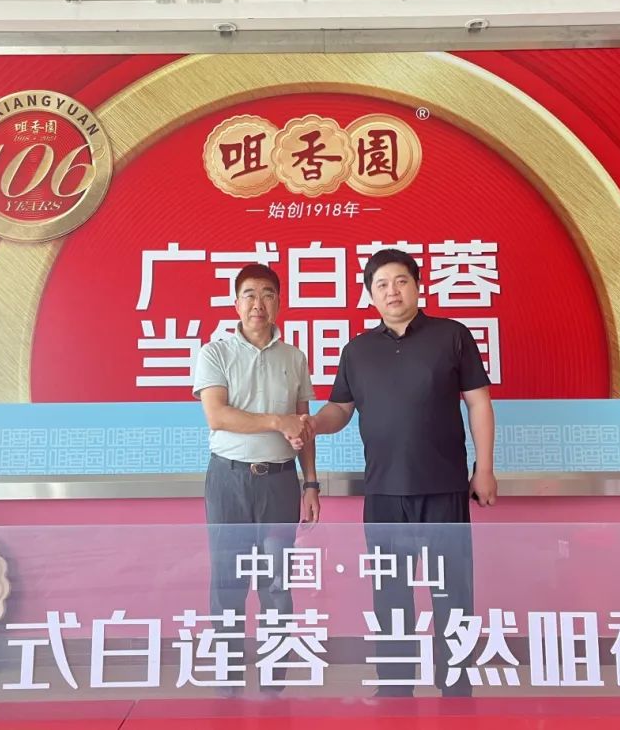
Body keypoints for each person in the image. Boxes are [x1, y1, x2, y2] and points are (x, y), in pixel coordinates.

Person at [302, 248, 496, 698]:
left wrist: (483, 468)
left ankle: (456, 684)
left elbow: (479, 403)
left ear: (418, 286)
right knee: (390, 593)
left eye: (401, 281)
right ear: (370, 295)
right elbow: (339, 410)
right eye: (382, 285)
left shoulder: (452, 336)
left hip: (444, 486)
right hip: (384, 491)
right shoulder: (357, 350)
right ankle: (394, 684)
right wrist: (311, 424)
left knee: (453, 592)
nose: (392, 291)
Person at [192, 262, 320, 694]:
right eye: (249, 294)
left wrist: (311, 483)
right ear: (236, 303)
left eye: (267, 294)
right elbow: (218, 415)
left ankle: (273, 681)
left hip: (280, 483)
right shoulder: (215, 353)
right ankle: (228, 678)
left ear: (279, 302)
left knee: (277, 583)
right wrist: (276, 421)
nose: (257, 303)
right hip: (229, 481)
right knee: (227, 580)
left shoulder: (294, 358)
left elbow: (303, 425)